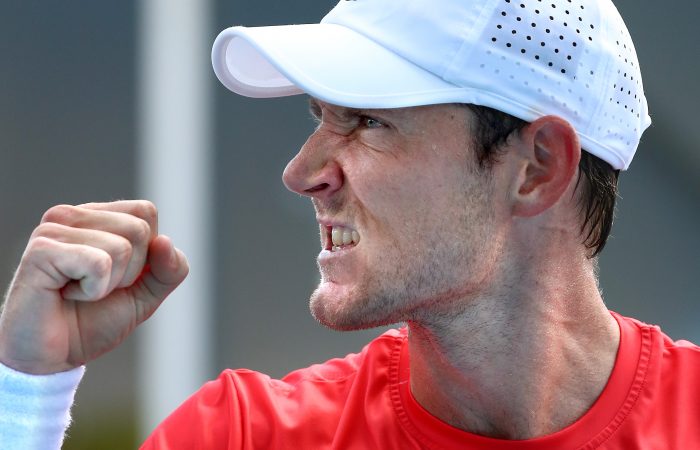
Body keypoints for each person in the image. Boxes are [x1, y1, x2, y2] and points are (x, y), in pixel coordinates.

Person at [1, 0, 698, 448]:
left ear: (538, 167)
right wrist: (26, 397)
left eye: (367, 120)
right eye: (320, 119)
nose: (302, 173)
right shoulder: (243, 436)